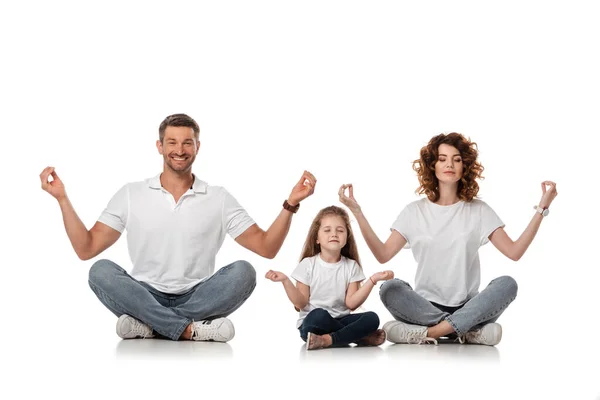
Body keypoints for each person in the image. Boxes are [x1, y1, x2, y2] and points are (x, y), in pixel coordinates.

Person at [39, 113, 317, 342]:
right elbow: (86, 248)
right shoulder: (131, 193)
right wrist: (62, 198)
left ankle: (149, 325)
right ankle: (189, 330)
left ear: (198, 147)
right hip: (144, 293)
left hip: (199, 294)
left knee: (244, 272)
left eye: (187, 143)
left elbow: (266, 247)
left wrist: (291, 203)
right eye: (172, 142)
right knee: (100, 271)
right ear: (160, 146)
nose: (179, 150)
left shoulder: (218, 197)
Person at [339, 132, 558, 346]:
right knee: (389, 288)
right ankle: (467, 332)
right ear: (432, 166)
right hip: (424, 307)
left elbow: (514, 252)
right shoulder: (414, 212)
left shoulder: (478, 210)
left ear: (465, 167)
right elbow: (383, 254)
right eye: (442, 159)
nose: (449, 165)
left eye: (457, 159)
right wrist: (357, 212)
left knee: (507, 284)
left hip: (470, 305)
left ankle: (434, 332)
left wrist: (542, 209)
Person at [265, 205, 394, 350]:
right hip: (313, 324)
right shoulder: (307, 264)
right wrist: (285, 281)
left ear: (347, 237)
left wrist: (372, 280)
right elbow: (301, 303)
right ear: (317, 239)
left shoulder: (351, 266)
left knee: (372, 318)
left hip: (341, 320)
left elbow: (351, 304)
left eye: (340, 230)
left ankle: (327, 340)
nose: (334, 234)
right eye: (327, 230)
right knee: (319, 315)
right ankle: (358, 336)